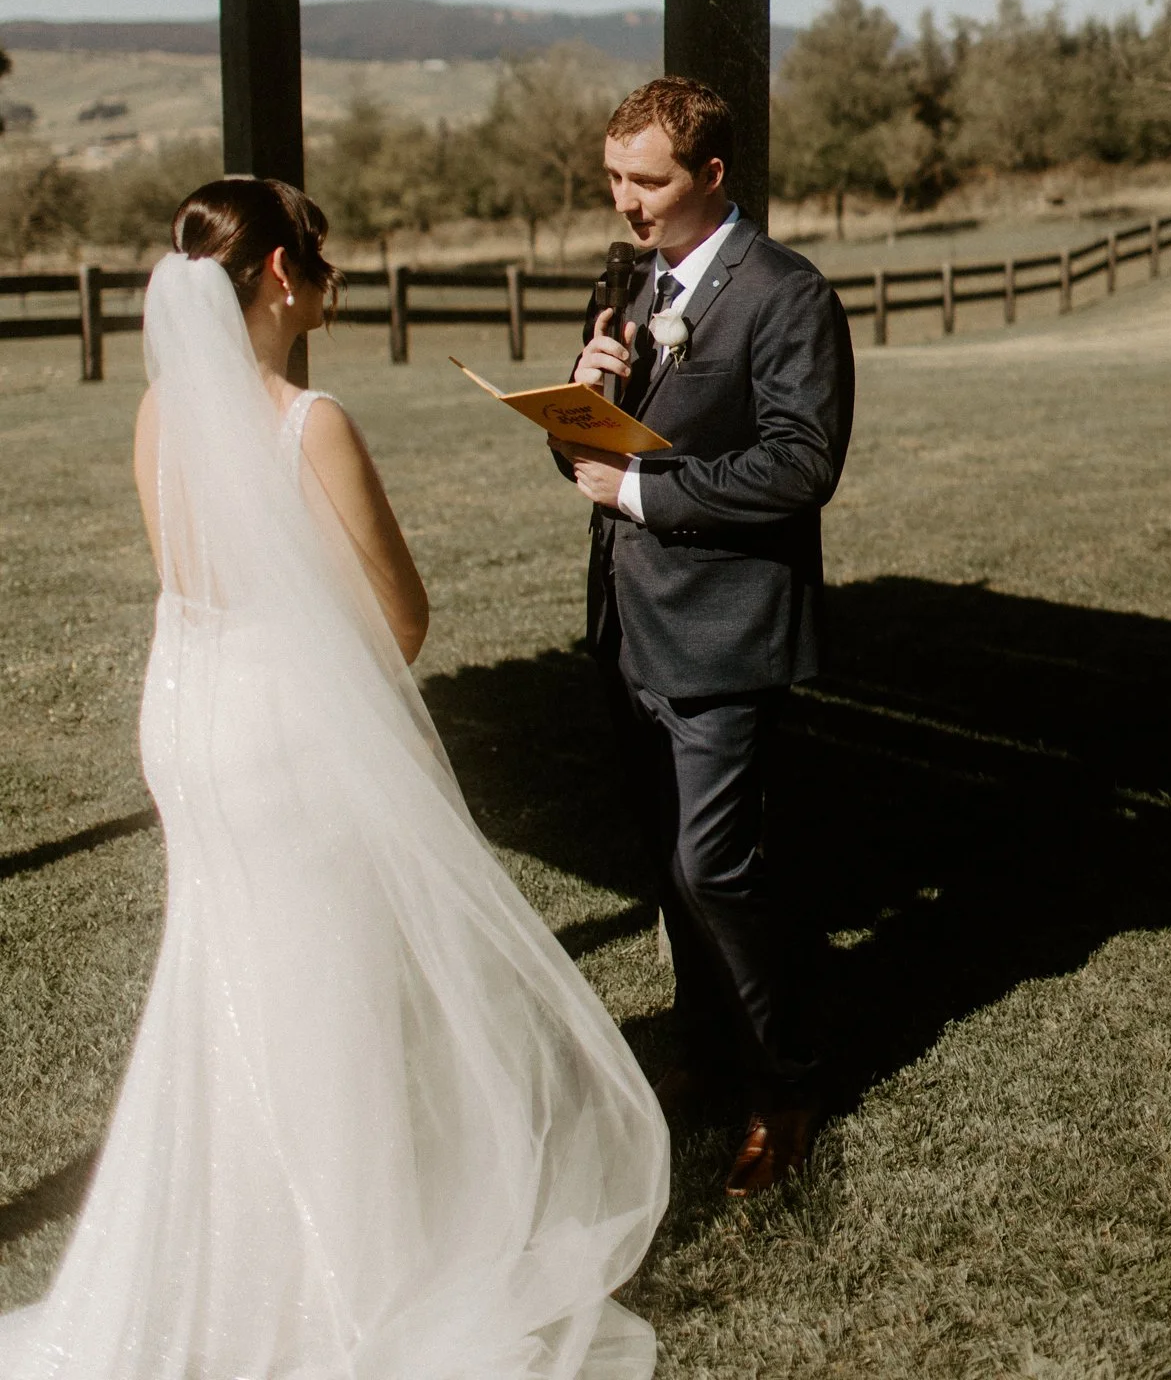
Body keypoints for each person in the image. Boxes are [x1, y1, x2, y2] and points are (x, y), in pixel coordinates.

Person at [0, 176, 667, 1380]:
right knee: (328, 983)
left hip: (191, 717)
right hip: (282, 731)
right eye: (314, 255)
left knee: (229, 973)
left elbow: (195, 578)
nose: (324, 274)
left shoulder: (160, 413)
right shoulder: (311, 422)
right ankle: (349, 1278)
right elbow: (399, 619)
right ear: (273, 279)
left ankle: (233, 1252)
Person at [552, 78, 855, 1198]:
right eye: (614, 178)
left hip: (725, 628)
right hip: (628, 624)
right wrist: (582, 399)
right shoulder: (628, 281)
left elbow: (799, 463)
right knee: (670, 870)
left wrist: (643, 492)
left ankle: (787, 1082)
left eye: (649, 181)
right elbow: (594, 460)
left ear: (712, 176)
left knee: (714, 863)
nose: (626, 203)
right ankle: (707, 1042)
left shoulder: (786, 295)